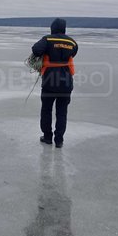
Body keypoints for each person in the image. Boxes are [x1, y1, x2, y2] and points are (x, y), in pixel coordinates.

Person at [31, 18, 78, 148]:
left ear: (52, 28)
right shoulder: (72, 42)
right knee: (62, 112)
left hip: (49, 82)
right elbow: (73, 53)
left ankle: (47, 137)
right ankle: (59, 140)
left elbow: (36, 50)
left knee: (46, 110)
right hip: (66, 83)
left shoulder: (48, 39)